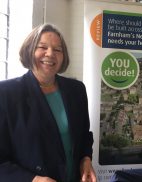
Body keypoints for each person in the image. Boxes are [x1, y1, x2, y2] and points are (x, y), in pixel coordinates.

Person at [0, 23, 97, 182]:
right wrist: (34, 180)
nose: (50, 53)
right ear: (29, 51)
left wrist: (85, 160)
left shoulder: (77, 90)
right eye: (42, 47)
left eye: (58, 49)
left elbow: (84, 136)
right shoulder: (6, 94)